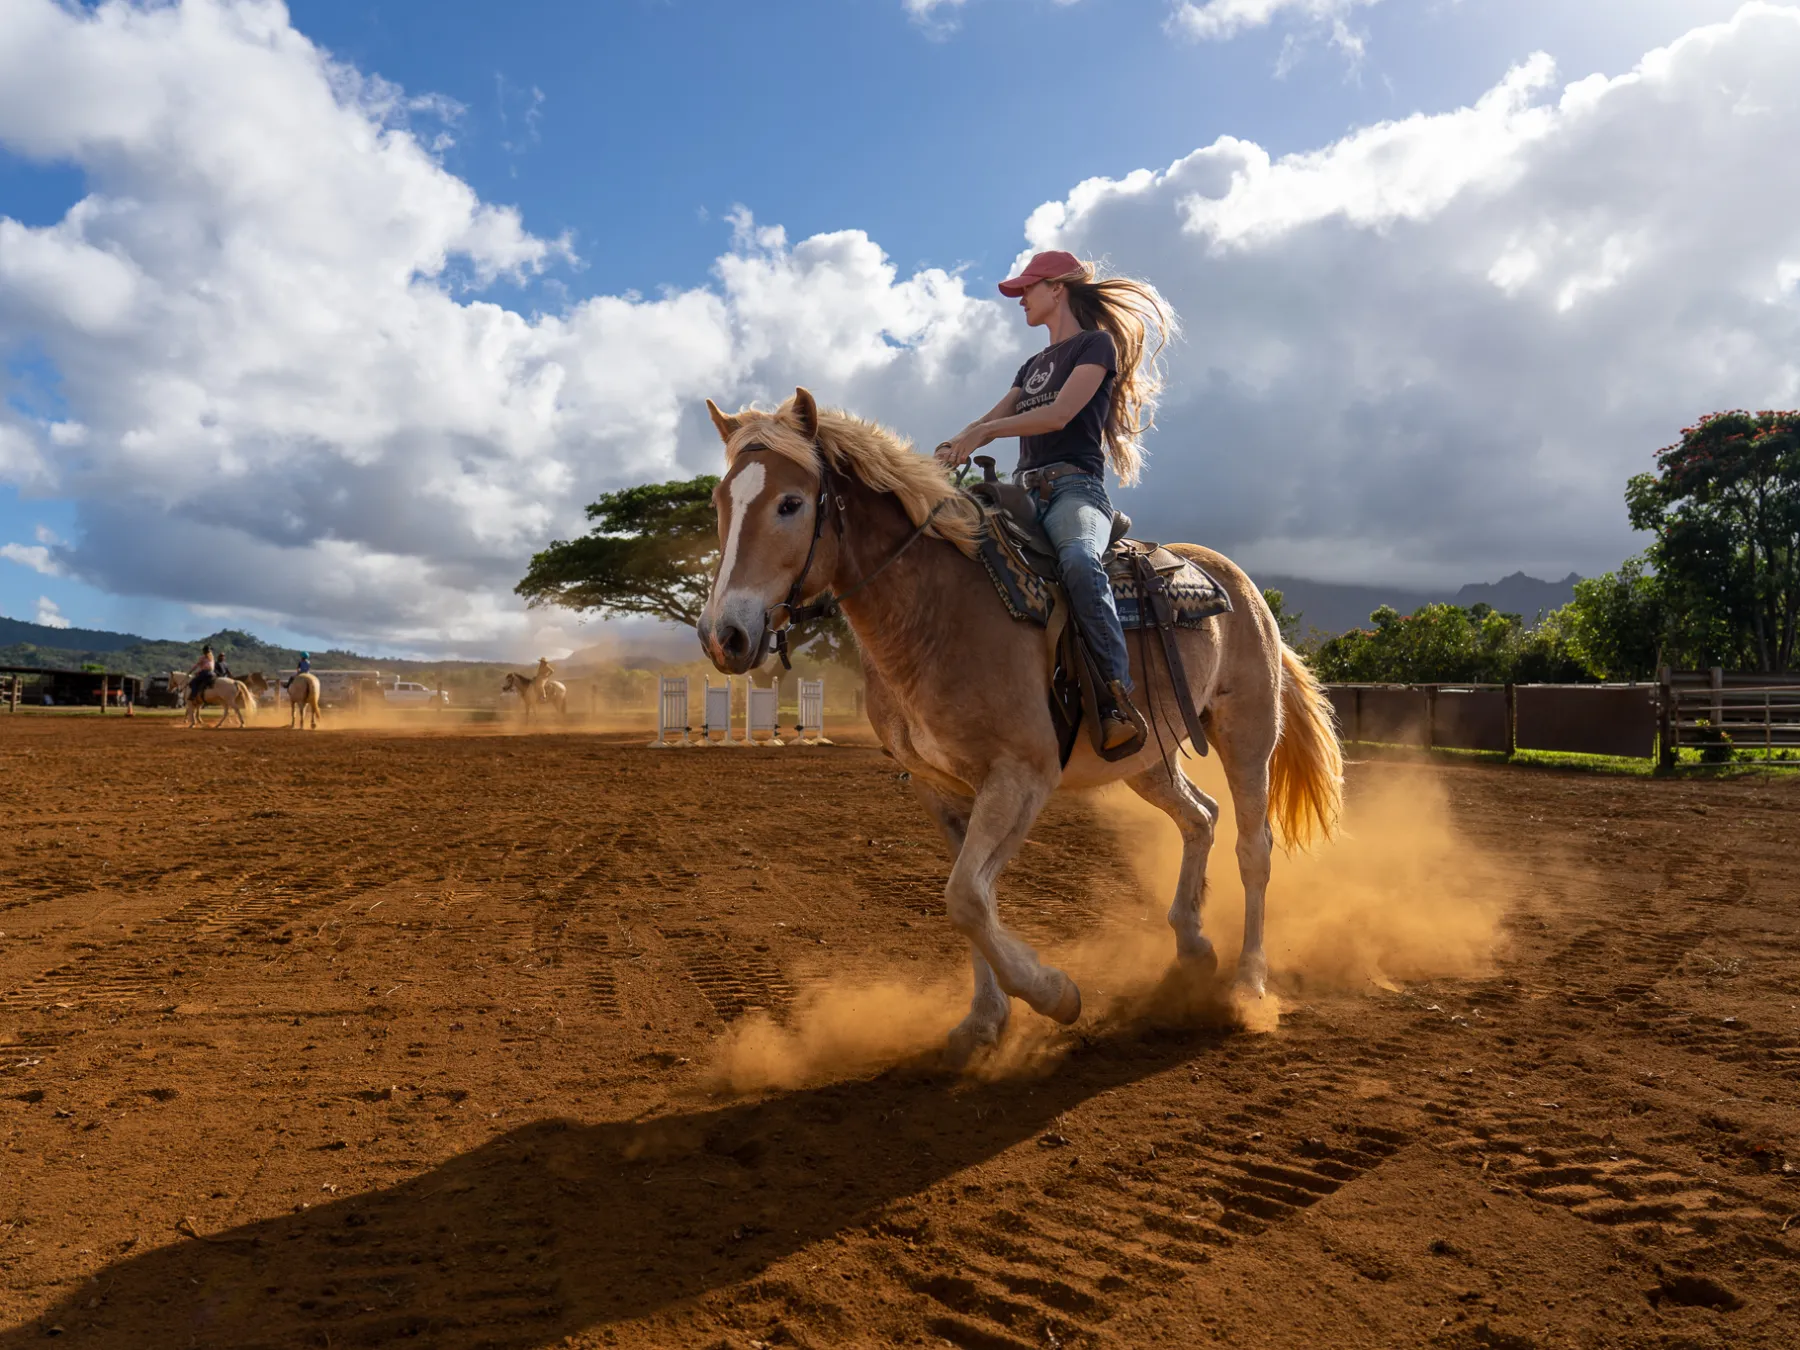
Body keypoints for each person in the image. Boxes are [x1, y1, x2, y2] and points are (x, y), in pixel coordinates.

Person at [936, 250, 1178, 752]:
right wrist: (954, 444)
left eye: (1028, 288)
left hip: (1075, 489)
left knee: (1079, 564)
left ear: (1058, 289)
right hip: (1024, 489)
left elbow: (1060, 415)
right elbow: (996, 414)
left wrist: (981, 432)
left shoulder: (1096, 346)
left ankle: (1116, 697)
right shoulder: (1031, 365)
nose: (1021, 298)